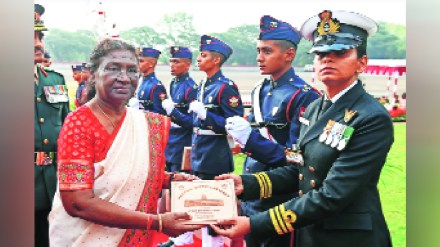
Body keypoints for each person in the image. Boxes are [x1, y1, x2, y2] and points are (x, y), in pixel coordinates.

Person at [212, 10, 394, 247]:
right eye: (320, 54)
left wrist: (256, 224)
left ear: (362, 62)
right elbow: (299, 168)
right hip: (310, 233)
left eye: (339, 53)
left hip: (347, 237)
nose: (327, 59)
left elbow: (332, 194)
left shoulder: (370, 117)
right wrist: (246, 184)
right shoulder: (315, 108)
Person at [48, 38, 201, 246]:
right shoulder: (80, 123)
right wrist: (156, 222)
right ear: (93, 74)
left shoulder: (142, 121)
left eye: (131, 70)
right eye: (113, 68)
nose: (124, 78)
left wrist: (169, 179)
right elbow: (77, 202)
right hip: (86, 239)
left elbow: (125, 174)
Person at [225, 15, 321, 247]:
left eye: (267, 51)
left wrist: (251, 140)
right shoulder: (260, 89)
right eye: (258, 50)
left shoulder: (303, 95)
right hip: (251, 189)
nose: (259, 58)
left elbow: (298, 160)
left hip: (279, 198)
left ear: (289, 54)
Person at [189, 34, 244, 247]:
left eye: (203, 56)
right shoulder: (203, 85)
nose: (198, 59)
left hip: (215, 152)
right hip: (200, 150)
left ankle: (217, 243)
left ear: (216, 60)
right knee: (202, 203)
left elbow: (234, 125)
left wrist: (207, 116)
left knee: (216, 204)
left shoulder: (225, 87)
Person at [34, 4, 70, 247]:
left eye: (40, 36)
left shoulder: (55, 80)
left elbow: (68, 132)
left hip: (54, 182)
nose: (38, 43)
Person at [157, 47, 198, 247]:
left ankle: (184, 234)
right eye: (171, 61)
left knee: (182, 187)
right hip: (172, 141)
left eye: (177, 62)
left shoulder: (191, 88)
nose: (172, 66)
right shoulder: (174, 83)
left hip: (183, 142)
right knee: (173, 188)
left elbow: (193, 122)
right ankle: (178, 234)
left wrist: (174, 113)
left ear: (188, 64)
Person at [129, 47, 167, 114]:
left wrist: (140, 110)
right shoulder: (139, 81)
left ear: (151, 64)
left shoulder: (156, 86)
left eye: (141, 61)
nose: (137, 64)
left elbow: (160, 115)